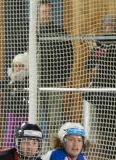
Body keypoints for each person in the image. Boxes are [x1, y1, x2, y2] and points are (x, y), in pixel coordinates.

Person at [84, 15, 116, 160]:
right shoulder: (100, 43)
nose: (109, 27)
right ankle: (105, 157)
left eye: (111, 25)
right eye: (106, 25)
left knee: (113, 127)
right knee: (102, 126)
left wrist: (103, 53)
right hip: (101, 93)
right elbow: (89, 64)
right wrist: (94, 49)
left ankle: (112, 158)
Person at [36, 0, 73, 140]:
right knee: (36, 119)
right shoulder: (32, 32)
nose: (45, 15)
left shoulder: (59, 32)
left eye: (47, 12)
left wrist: (63, 78)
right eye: (43, 12)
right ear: (38, 14)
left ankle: (52, 150)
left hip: (54, 82)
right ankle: (37, 151)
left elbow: (68, 54)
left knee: (54, 120)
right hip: (36, 83)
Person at [0, 52, 29, 148]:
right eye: (15, 66)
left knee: (22, 134)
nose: (17, 68)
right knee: (9, 135)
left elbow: (21, 87)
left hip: (24, 112)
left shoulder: (27, 79)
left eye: (20, 66)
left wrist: (12, 85)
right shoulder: (9, 78)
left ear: (25, 67)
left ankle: (21, 153)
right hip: (11, 112)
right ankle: (8, 153)